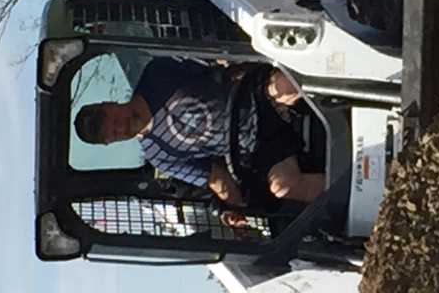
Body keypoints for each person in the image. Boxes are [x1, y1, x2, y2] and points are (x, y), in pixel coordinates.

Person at [73, 58, 324, 210]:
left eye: (112, 119)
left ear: (109, 104)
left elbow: (216, 60)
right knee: (283, 187)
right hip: (260, 145)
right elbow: (214, 179)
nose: (120, 127)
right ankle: (354, 197)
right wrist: (233, 207)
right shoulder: (158, 155)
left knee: (287, 85)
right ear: (111, 142)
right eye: (113, 134)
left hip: (256, 95)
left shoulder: (157, 72)